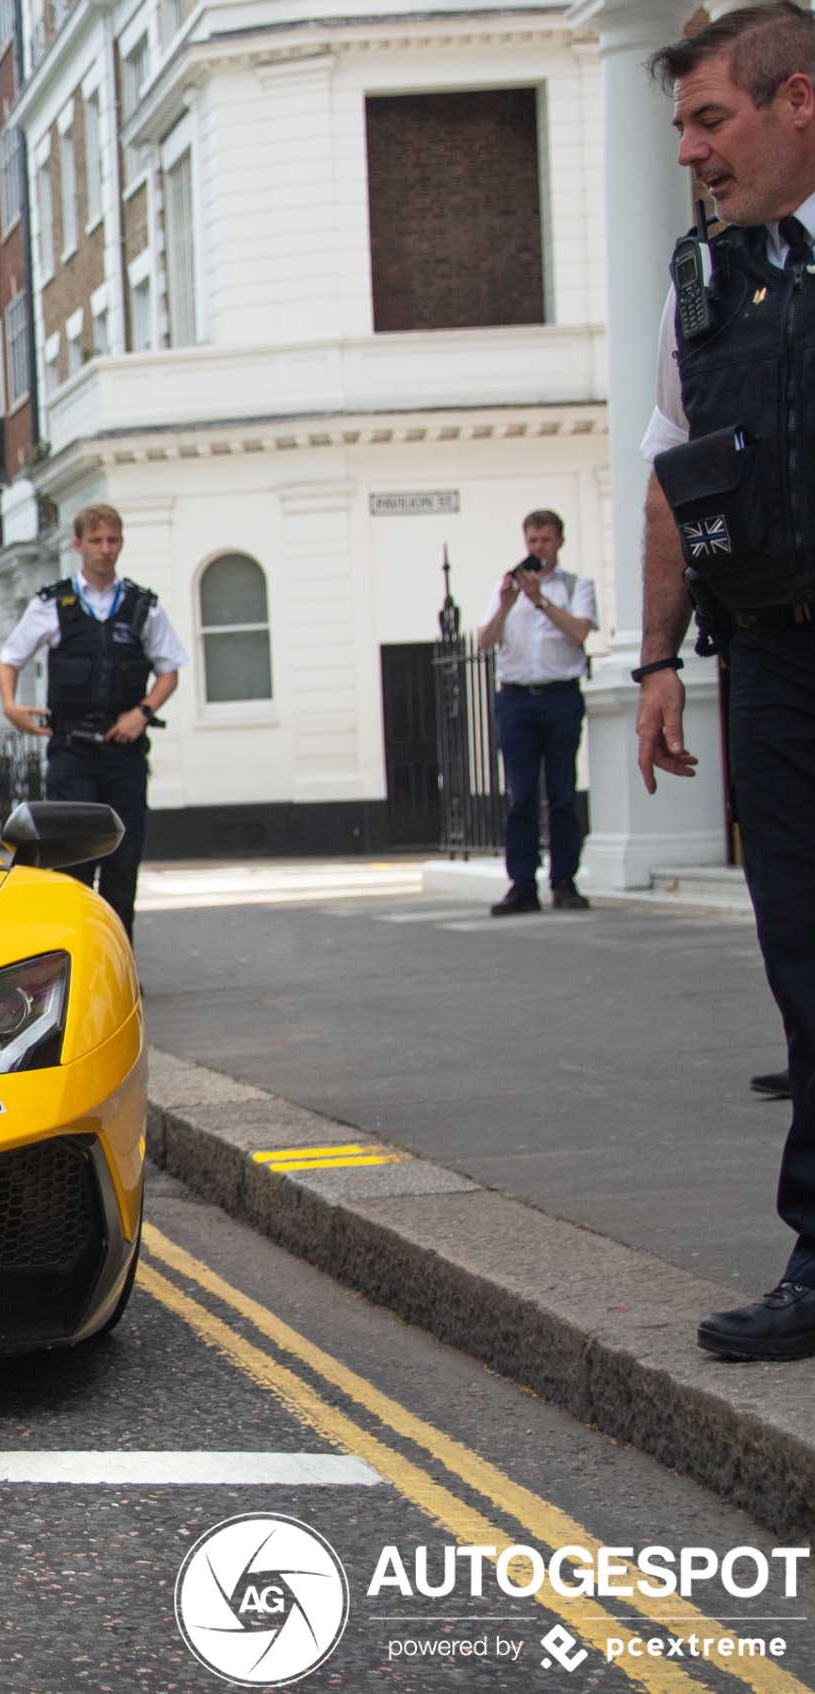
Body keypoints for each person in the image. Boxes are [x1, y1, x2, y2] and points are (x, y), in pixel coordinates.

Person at [637, 2, 815, 1362]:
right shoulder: (698, 285)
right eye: (684, 128)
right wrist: (653, 660)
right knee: (804, 960)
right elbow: (671, 474)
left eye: (712, 120)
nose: (694, 153)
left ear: (797, 99)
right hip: (771, 658)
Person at [0, 504, 184, 934]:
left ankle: (121, 967)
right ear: (78, 545)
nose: (105, 550)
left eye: (113, 540)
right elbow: (9, 659)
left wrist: (143, 713)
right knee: (73, 865)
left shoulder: (141, 606)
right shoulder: (53, 603)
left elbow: (169, 670)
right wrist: (11, 706)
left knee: (123, 864)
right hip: (72, 751)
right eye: (96, 541)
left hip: (124, 752)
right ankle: (76, 963)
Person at [476, 510, 598, 916]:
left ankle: (564, 881)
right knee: (521, 796)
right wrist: (508, 605)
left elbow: (580, 631)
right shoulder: (506, 589)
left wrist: (540, 601)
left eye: (545, 541)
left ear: (559, 542)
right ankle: (523, 885)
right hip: (515, 700)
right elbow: (483, 642)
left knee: (562, 794)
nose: (537, 549)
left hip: (560, 696)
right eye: (532, 541)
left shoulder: (577, 586)